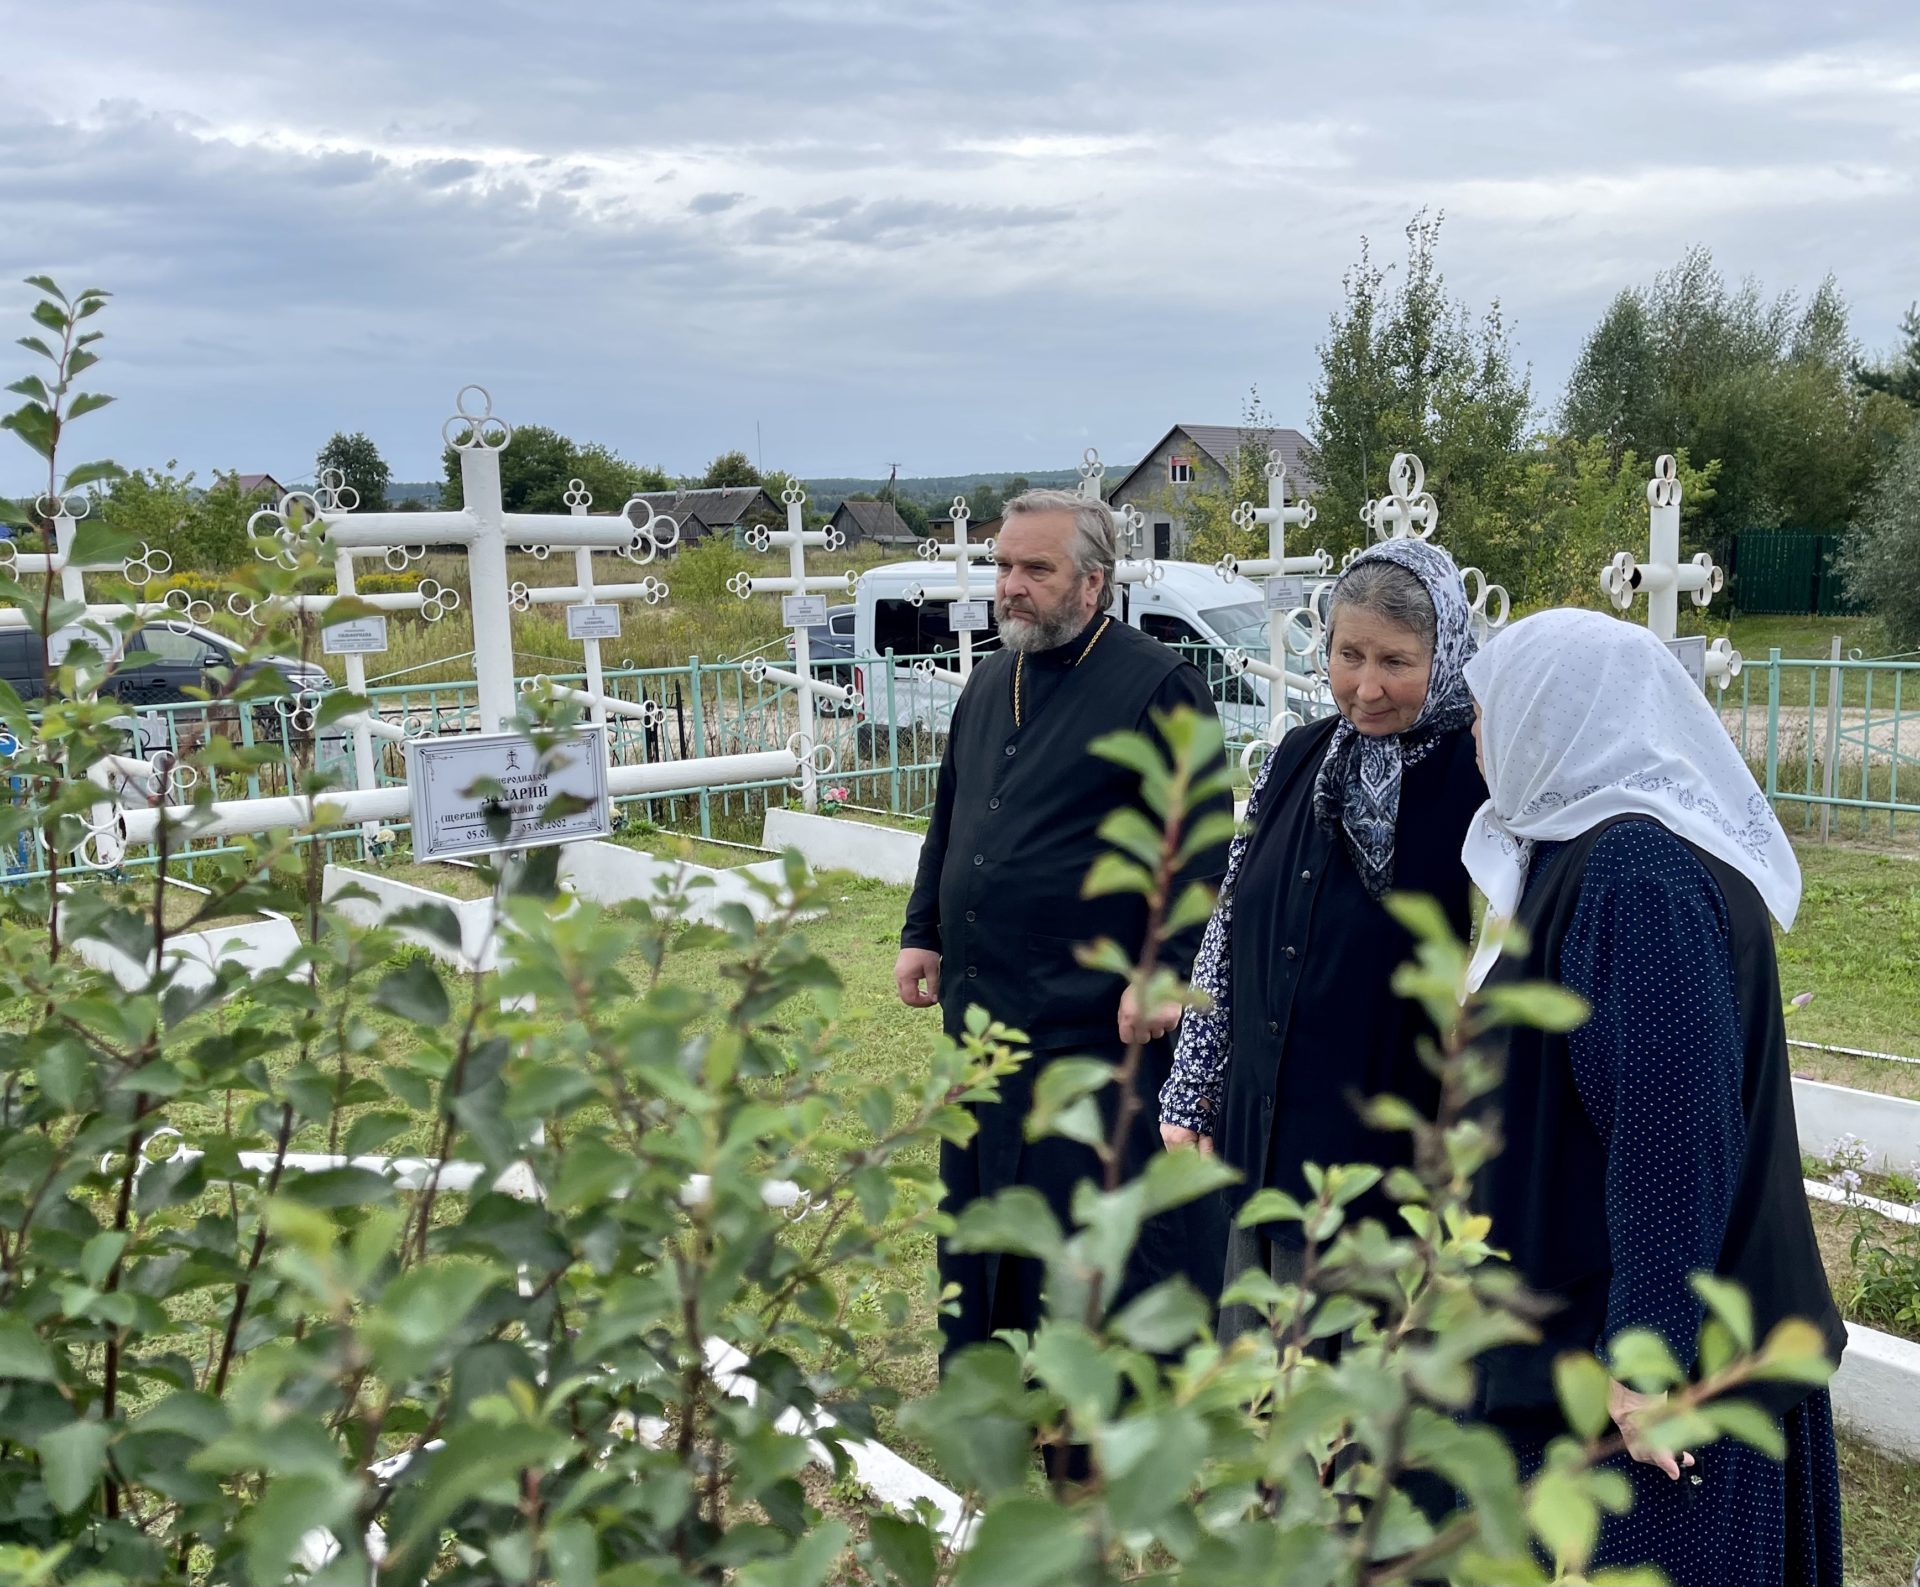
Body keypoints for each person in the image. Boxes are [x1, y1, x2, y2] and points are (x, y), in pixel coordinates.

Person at [1463, 608, 1845, 1586]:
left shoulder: (1636, 875)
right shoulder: (1588, 850)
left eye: (1484, 709)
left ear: (1552, 715)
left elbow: (1672, 1135)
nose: (1474, 734)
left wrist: (1646, 1365)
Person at [895, 487, 1233, 1370]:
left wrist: (1163, 966)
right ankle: (993, 1379)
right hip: (981, 1020)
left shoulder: (1158, 684)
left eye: (1035, 569)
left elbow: (1200, 848)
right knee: (984, 1221)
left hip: (1086, 1028)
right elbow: (951, 815)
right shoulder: (986, 678)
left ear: (1093, 582)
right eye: (1004, 566)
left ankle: (1090, 1420)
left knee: (1080, 1240)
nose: (1011, 586)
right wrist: (921, 925)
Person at [1158, 538, 1488, 1328]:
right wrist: (1192, 1087)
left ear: (1446, 655)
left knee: (1360, 1407)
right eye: (1349, 654)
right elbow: (1231, 923)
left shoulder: (1483, 781)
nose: (1366, 688)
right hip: (1264, 1132)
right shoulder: (1300, 756)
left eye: (1397, 663)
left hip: (1390, 1160)